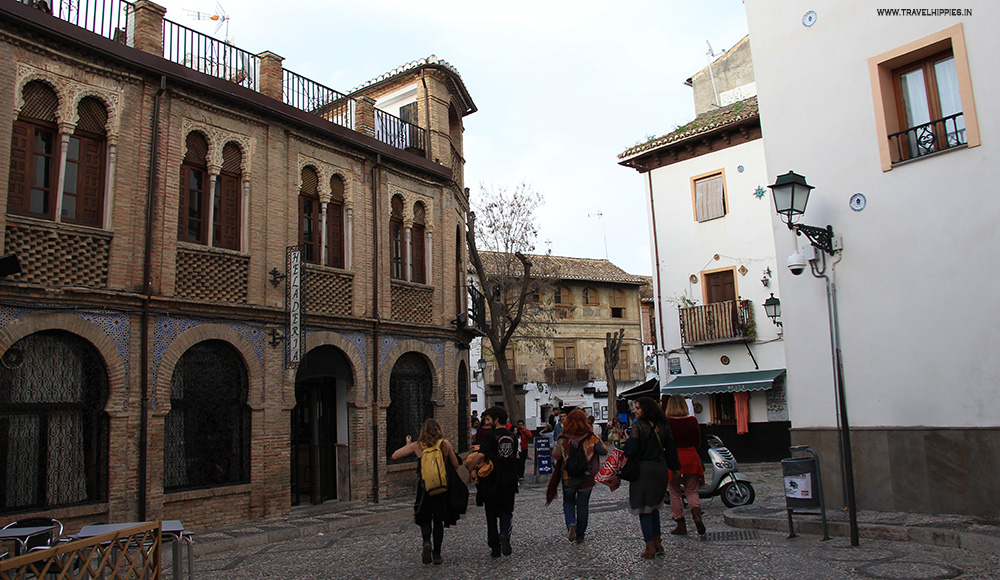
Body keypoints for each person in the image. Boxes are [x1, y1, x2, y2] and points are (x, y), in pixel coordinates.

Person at [391, 418, 461, 565]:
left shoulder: (418, 446)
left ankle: (426, 542)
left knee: (425, 517)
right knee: (438, 520)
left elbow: (395, 455)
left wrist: (408, 445)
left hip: (425, 489)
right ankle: (437, 554)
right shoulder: (444, 444)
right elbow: (455, 464)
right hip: (442, 488)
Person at [624, 396, 680, 559]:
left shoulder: (638, 426)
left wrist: (627, 441)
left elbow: (631, 450)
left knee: (644, 507)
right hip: (660, 469)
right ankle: (658, 542)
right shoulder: (663, 425)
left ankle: (649, 546)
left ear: (646, 409)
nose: (635, 411)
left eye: (638, 408)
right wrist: (675, 468)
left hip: (644, 470)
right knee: (655, 505)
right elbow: (671, 448)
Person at [547, 409, 607, 543]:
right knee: (583, 505)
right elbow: (604, 450)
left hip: (569, 476)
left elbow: (556, 456)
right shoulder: (590, 437)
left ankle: (571, 524)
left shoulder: (563, 438)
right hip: (587, 476)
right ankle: (580, 535)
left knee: (568, 502)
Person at [467, 406, 520, 558]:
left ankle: (495, 546)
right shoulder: (512, 437)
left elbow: (481, 456)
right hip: (509, 480)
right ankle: (504, 533)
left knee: (490, 514)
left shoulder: (489, 437)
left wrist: (470, 467)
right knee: (506, 511)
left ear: (496, 420)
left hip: (491, 481)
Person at [666, 396, 706, 536]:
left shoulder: (667, 423)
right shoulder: (692, 421)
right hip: (691, 457)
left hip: (674, 458)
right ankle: (696, 514)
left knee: (675, 492)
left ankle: (680, 523)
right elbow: (697, 441)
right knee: (692, 491)